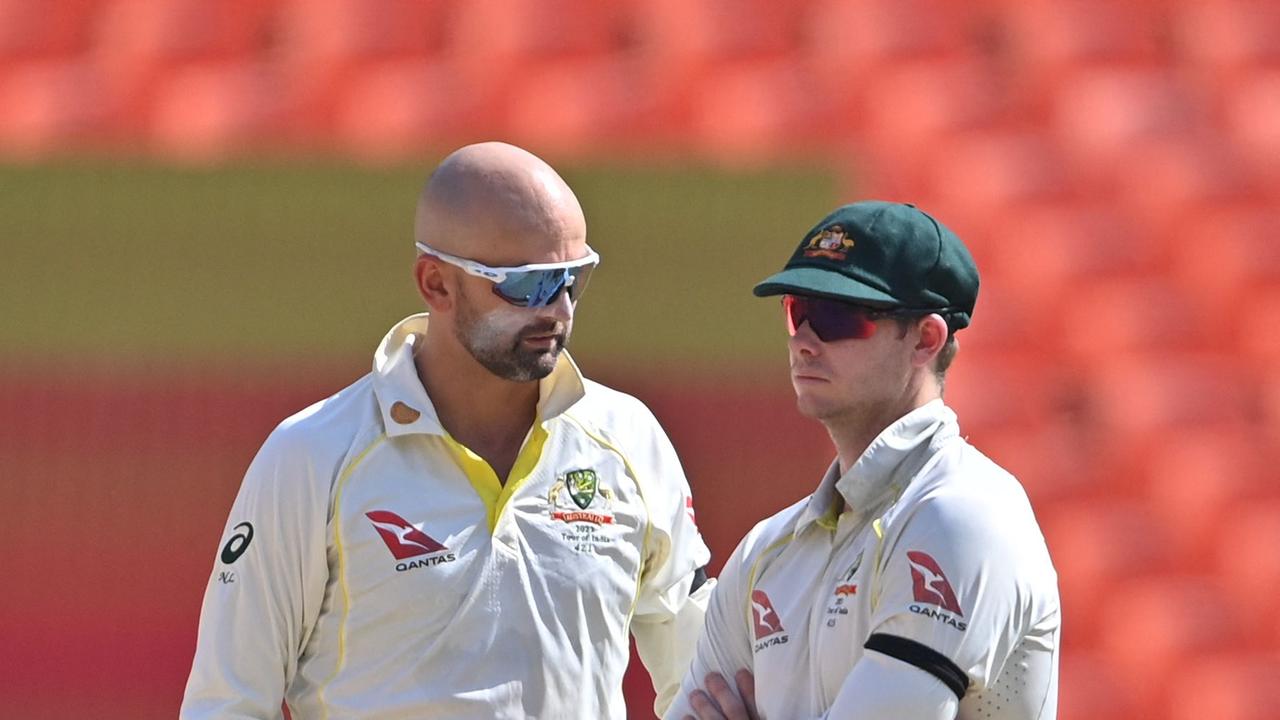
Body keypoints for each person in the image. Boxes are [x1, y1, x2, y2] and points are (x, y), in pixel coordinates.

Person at [181, 142, 713, 720]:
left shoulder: (629, 439)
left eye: (572, 278)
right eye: (526, 284)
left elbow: (703, 683)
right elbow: (227, 703)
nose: (558, 309)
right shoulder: (312, 455)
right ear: (436, 284)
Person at [666, 201, 1060, 720]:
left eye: (837, 317)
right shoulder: (764, 549)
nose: (804, 341)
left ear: (926, 340)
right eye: (797, 311)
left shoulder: (963, 514)